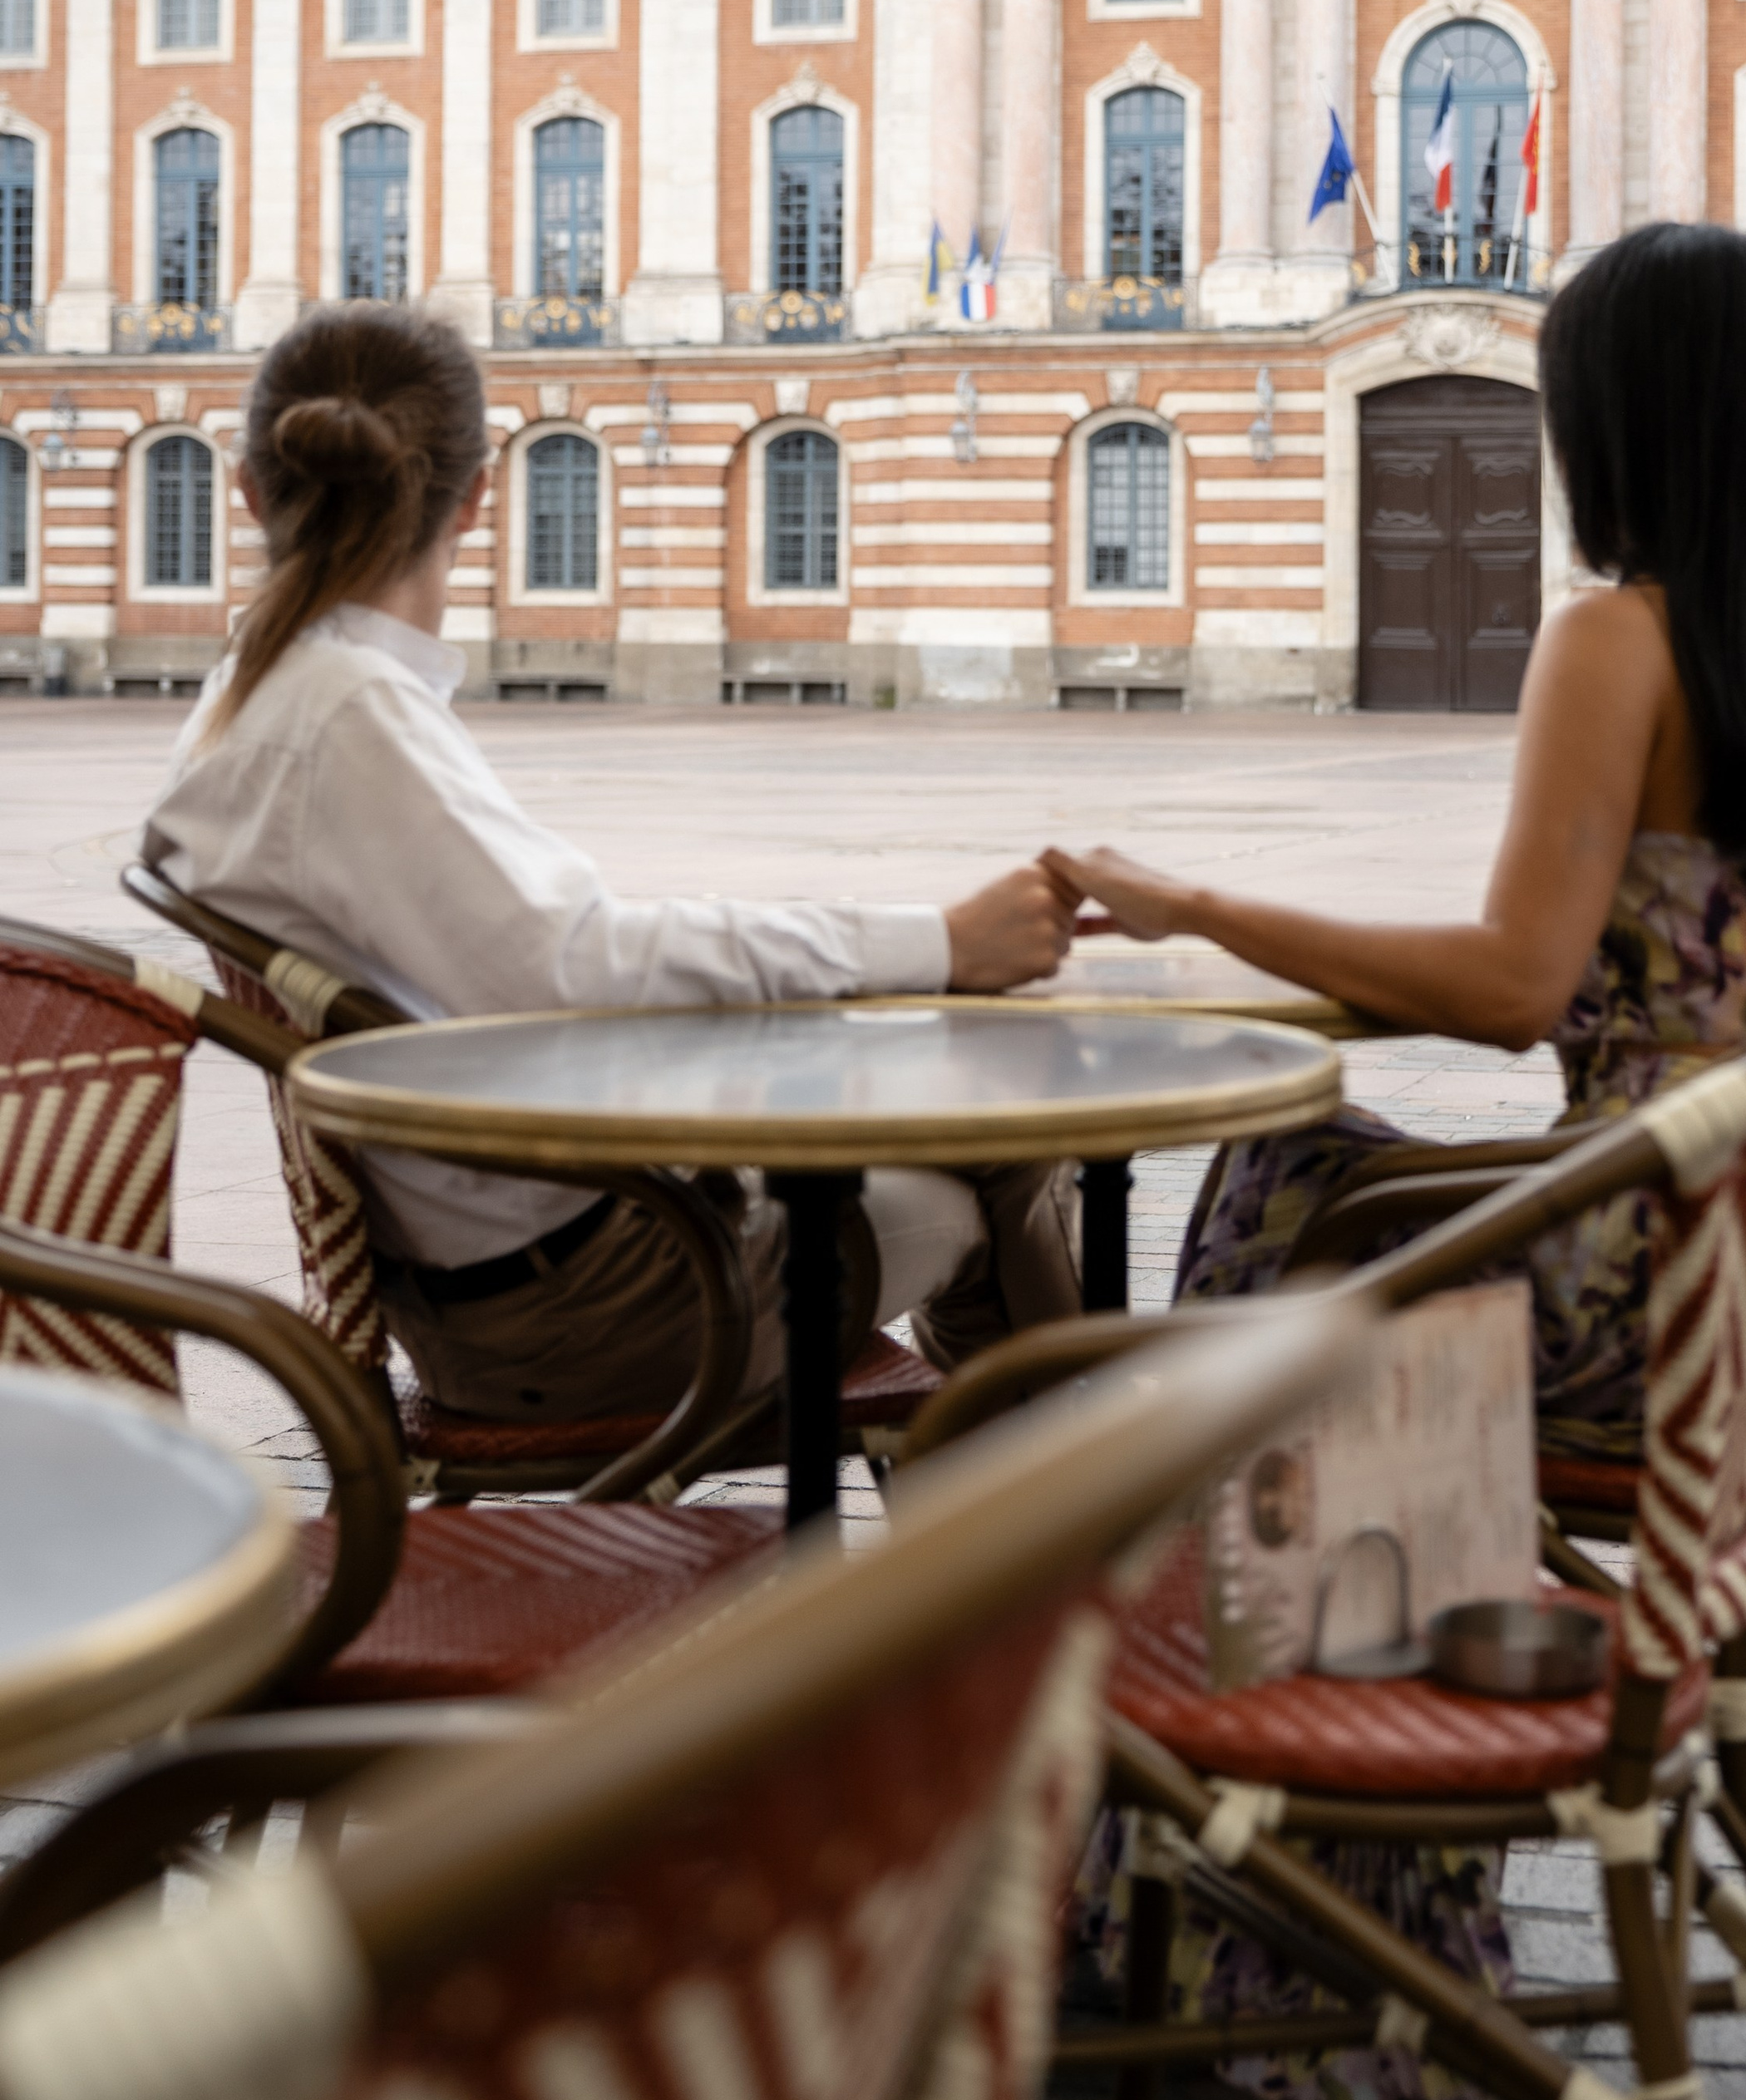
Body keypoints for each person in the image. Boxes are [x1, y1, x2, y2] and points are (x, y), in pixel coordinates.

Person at [1048, 223, 1746, 2100]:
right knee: (1333, 1213)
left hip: (1628, 1282)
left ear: (1625, 428)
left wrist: (1190, 904)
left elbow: (1515, 984)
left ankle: (1282, 1831)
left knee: (1282, 1186)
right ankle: (1315, 1841)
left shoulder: (1614, 640)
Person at [144, 302, 1081, 1429]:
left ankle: (1021, 1522)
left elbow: (539, 967)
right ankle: (1084, 1528)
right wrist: (941, 943)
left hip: (505, 1284)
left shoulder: (265, 696)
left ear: (248, 491)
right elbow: (577, 964)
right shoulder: (342, 714)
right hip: (616, 1310)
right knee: (1018, 1137)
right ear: (480, 496)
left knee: (951, 1117)